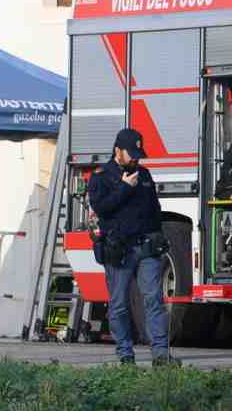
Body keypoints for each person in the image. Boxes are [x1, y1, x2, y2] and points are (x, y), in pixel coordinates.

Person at [88, 128, 180, 366]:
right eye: (132, 153)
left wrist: (159, 236)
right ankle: (125, 355)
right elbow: (101, 208)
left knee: (154, 300)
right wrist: (124, 188)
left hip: (146, 248)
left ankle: (160, 354)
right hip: (120, 251)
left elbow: (154, 210)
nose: (136, 158)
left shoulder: (144, 174)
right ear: (117, 151)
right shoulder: (101, 176)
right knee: (119, 304)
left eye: (139, 153)